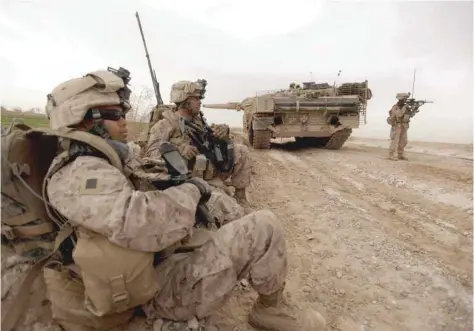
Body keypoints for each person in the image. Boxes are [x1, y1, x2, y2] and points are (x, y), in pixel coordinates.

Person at [40, 69, 325, 331]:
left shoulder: (101, 161)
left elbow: (144, 174)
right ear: (85, 118)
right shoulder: (80, 172)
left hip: (154, 266)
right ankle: (270, 311)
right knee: (265, 226)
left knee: (222, 205)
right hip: (156, 292)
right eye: (115, 114)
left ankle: (249, 257)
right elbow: (142, 222)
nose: (125, 120)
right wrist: (189, 191)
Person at [145, 80, 253, 212]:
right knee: (228, 210)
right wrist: (178, 151)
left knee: (241, 150)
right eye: (196, 98)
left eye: (200, 98)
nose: (200, 101)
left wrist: (223, 132)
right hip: (190, 179)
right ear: (184, 101)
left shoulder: (198, 120)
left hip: (212, 169)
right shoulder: (166, 124)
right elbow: (151, 153)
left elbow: (209, 141)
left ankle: (240, 197)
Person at [387, 92, 412, 161]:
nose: (406, 100)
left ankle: (400, 154)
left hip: (404, 125)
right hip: (397, 125)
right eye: (405, 98)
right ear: (401, 99)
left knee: (403, 141)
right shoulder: (395, 107)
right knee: (395, 141)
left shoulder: (405, 107)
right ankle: (391, 155)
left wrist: (414, 108)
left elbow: (410, 115)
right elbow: (399, 115)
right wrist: (405, 107)